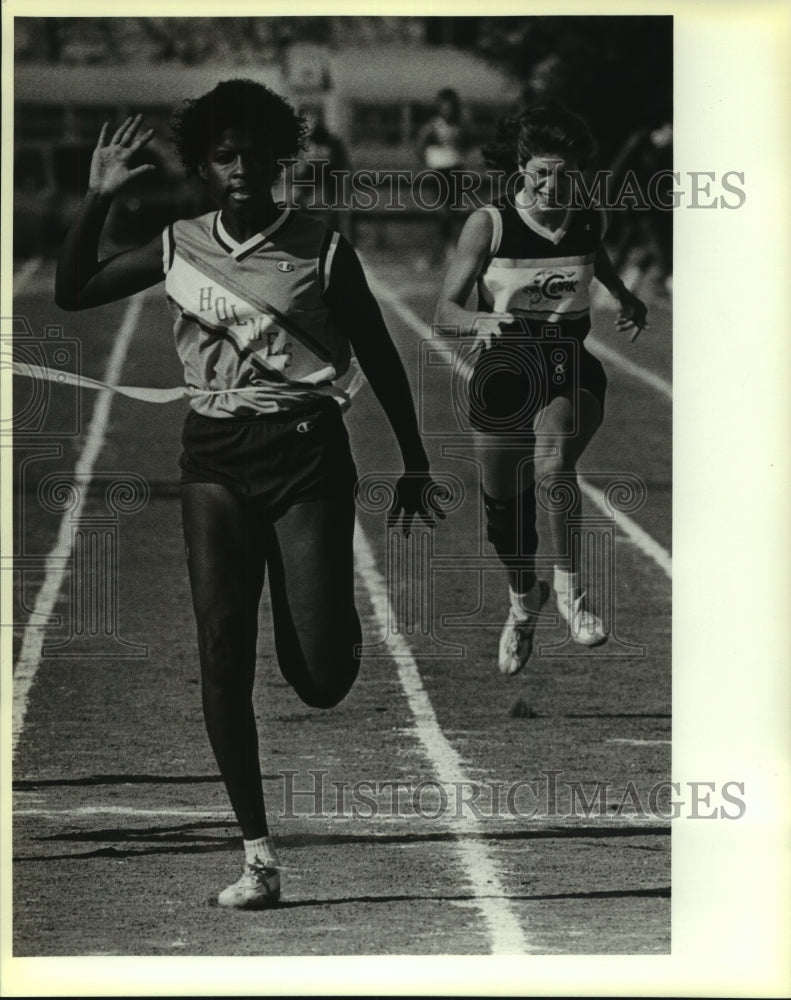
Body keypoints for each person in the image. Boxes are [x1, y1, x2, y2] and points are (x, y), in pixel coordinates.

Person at [55, 79, 441, 909]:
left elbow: (376, 352)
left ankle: (328, 617)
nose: (238, 167)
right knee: (220, 654)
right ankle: (259, 856)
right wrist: (97, 198)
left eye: (252, 153)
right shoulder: (177, 244)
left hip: (304, 458)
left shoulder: (321, 248)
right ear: (202, 162)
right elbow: (74, 289)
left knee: (320, 678)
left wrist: (413, 461)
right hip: (215, 458)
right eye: (222, 154)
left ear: (278, 158)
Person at [433, 105, 648, 675]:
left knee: (554, 467)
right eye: (545, 172)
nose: (556, 185)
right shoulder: (490, 224)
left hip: (567, 363)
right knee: (505, 515)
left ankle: (573, 595)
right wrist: (474, 322)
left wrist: (626, 297)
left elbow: (593, 258)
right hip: (503, 370)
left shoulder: (584, 216)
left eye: (570, 174)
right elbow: (444, 310)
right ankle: (524, 601)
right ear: (522, 166)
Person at [415, 87, 468, 265]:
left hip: (455, 168)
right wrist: (427, 162)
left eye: (451, 105)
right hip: (439, 171)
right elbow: (420, 145)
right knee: (443, 211)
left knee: (454, 210)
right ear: (439, 106)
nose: (448, 109)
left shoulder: (459, 125)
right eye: (444, 105)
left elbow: (465, 145)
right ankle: (440, 250)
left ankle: (449, 249)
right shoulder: (433, 125)